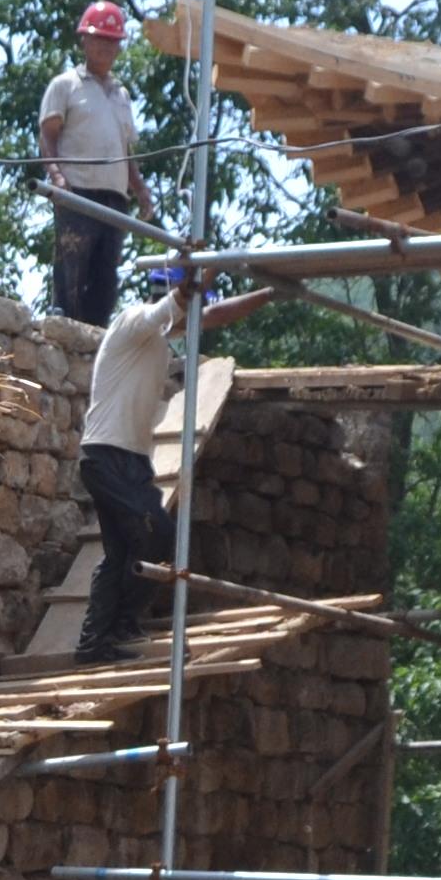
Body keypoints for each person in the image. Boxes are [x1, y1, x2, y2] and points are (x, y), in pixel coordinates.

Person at [75, 269, 275, 664]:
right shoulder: (135, 323)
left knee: (121, 552)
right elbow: (184, 298)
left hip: (126, 458)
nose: (197, 316)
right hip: (106, 454)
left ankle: (95, 641)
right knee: (157, 533)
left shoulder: (160, 339)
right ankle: (117, 627)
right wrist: (205, 269)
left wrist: (270, 293)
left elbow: (216, 315)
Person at [37, 0, 142, 324]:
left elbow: (127, 150)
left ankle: (96, 332)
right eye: (99, 39)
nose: (105, 47)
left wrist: (141, 190)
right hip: (78, 188)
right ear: (85, 41)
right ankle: (63, 319)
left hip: (114, 195)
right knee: (72, 261)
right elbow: (47, 135)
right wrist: (55, 174)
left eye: (112, 41)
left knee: (105, 271)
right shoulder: (66, 85)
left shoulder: (120, 95)